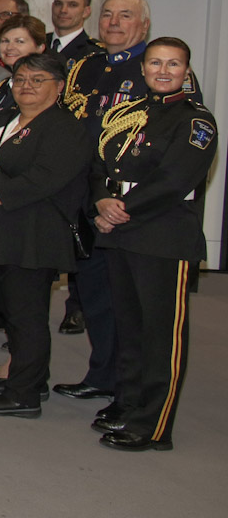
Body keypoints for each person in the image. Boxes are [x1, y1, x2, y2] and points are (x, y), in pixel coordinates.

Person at [59, 0, 199, 410]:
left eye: (125, 15)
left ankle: (129, 391)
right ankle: (103, 374)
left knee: (133, 308)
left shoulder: (158, 72)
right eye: (107, 15)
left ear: (144, 24)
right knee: (98, 296)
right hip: (86, 198)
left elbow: (173, 159)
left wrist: (119, 205)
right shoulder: (86, 67)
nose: (114, 22)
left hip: (134, 214)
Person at [90, 37, 213, 451]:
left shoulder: (196, 122)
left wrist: (119, 207)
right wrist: (101, 199)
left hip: (164, 237)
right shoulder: (128, 113)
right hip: (121, 232)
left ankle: (155, 426)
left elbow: (175, 181)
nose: (163, 71)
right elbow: (99, 161)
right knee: (130, 327)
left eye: (173, 64)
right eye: (156, 63)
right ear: (143, 70)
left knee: (162, 336)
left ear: (186, 70)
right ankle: (129, 404)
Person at [0, 52, 91, 417]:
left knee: (27, 316)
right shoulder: (3, 117)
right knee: (12, 312)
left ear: (59, 87)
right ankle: (28, 377)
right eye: (20, 79)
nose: (26, 86)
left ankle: (24, 396)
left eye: (37, 80)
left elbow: (42, 180)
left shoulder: (65, 128)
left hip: (34, 235)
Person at [0, 14, 49, 128]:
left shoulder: (42, 87)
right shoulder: (3, 84)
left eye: (20, 41)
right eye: (5, 41)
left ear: (40, 48)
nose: (10, 47)